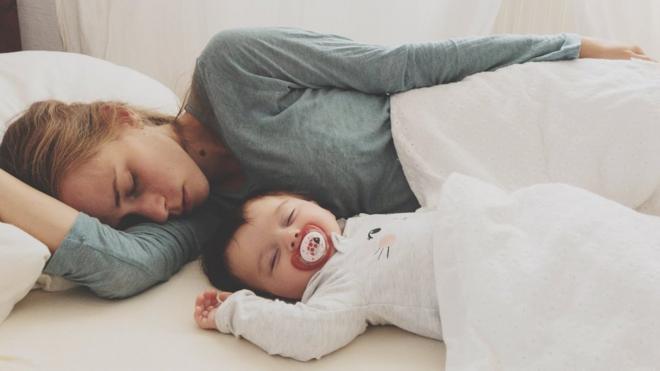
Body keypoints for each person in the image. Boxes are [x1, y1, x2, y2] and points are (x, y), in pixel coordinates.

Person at [0, 27, 652, 298]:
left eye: (131, 182)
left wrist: (576, 47)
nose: (154, 208)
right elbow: (119, 267)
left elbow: (402, 65)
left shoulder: (233, 67)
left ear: (123, 115)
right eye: (126, 213)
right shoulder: (217, 223)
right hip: (489, 198)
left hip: (496, 116)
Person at [193, 191, 442, 361]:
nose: (290, 237)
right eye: (273, 260)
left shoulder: (360, 222)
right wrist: (235, 312)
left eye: (289, 217)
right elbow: (304, 333)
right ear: (277, 297)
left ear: (311, 202)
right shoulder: (338, 287)